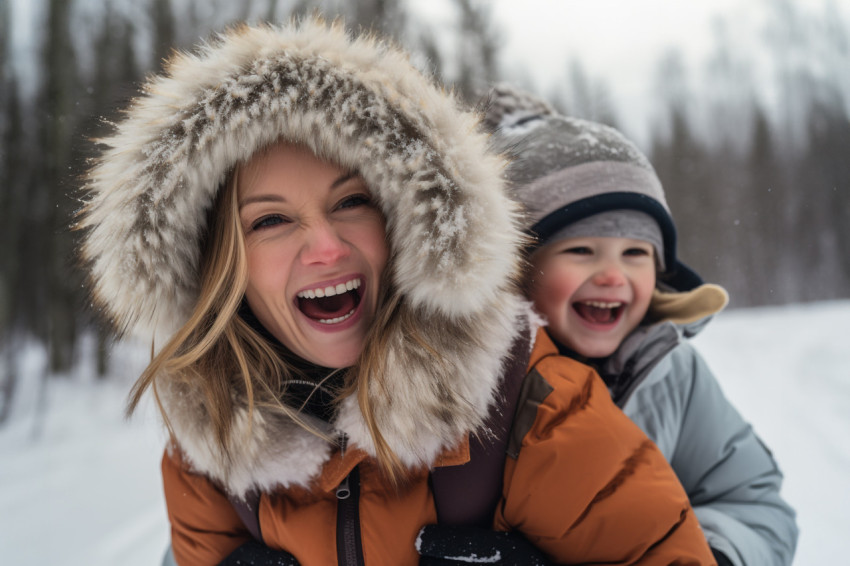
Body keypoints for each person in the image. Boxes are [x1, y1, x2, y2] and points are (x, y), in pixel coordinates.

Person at [77, 19, 716, 565]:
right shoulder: (208, 443)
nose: (325, 247)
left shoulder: (525, 405)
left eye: (352, 202)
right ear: (221, 265)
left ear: (407, 220)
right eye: (270, 220)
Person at [484, 83, 799, 566]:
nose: (613, 275)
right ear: (517, 267)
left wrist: (711, 552)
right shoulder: (479, 380)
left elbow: (752, 502)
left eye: (635, 253)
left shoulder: (670, 372)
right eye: (581, 251)